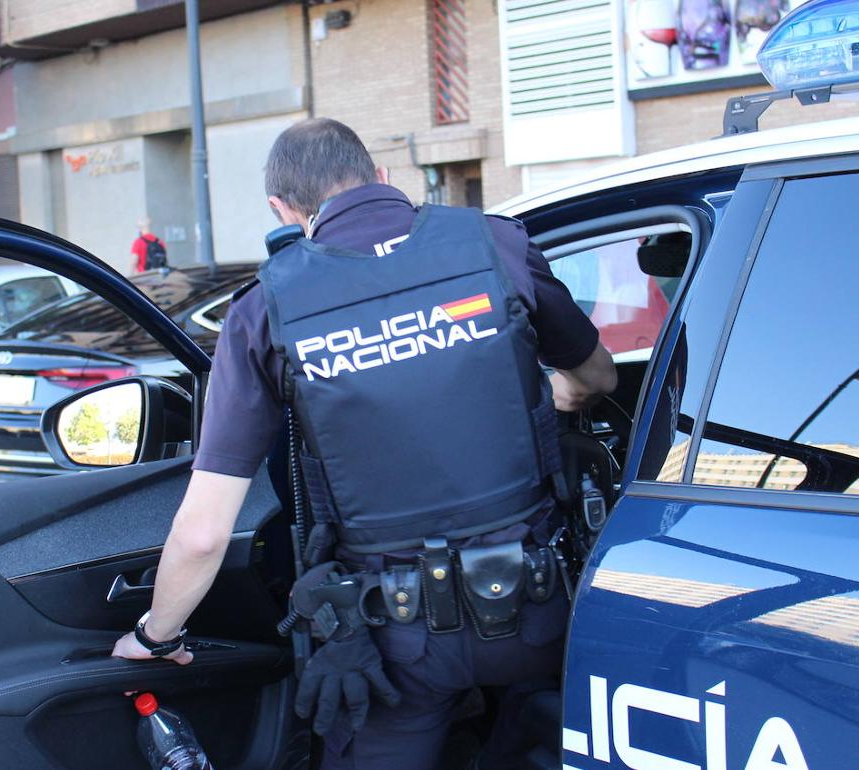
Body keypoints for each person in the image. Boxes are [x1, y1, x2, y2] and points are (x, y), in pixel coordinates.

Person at [113, 118, 617, 769]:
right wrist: (566, 395)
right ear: (381, 176)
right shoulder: (494, 243)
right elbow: (599, 373)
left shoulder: (265, 310)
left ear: (285, 211)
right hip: (545, 609)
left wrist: (156, 639)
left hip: (392, 642)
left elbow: (206, 531)